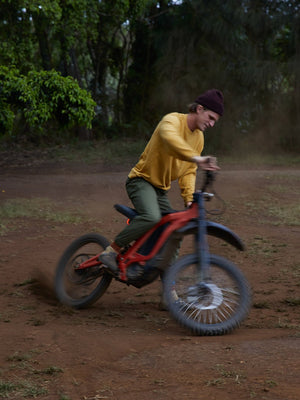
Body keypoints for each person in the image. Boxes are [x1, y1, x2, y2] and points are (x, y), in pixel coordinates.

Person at [99, 89, 224, 274]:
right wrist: (197, 159)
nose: (212, 124)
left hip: (160, 191)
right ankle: (111, 251)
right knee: (152, 217)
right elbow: (170, 140)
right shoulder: (172, 121)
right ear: (199, 109)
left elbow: (189, 171)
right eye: (211, 117)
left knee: (176, 229)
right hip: (141, 181)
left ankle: (169, 291)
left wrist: (189, 198)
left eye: (215, 121)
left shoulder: (198, 138)